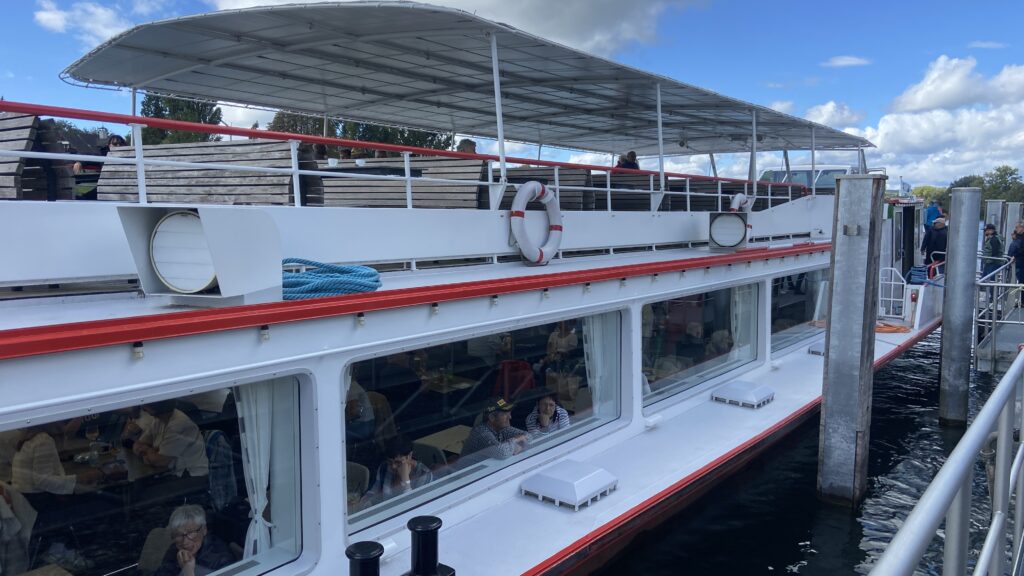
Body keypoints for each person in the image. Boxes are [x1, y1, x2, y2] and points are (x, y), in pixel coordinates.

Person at [133, 400, 209, 478]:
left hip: (190, 476)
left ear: (156, 406)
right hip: (171, 473)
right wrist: (152, 453)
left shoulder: (178, 424)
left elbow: (160, 461)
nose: (142, 407)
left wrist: (148, 451)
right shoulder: (159, 420)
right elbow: (137, 445)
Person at [156, 505, 233, 576]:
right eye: (179, 535)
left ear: (204, 530)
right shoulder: (174, 549)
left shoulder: (221, 558)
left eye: (191, 533)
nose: (185, 542)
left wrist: (188, 572)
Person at [363, 437, 433, 506]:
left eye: (398, 462)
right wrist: (363, 502)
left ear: (409, 456)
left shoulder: (424, 475)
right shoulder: (384, 467)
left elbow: (414, 505)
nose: (393, 466)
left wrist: (406, 480)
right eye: (390, 462)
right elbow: (374, 492)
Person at [461, 399, 528, 459]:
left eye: (509, 413)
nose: (510, 417)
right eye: (505, 414)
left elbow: (528, 436)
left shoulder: (502, 428)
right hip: (472, 471)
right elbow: (502, 453)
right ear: (492, 417)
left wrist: (514, 446)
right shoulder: (480, 433)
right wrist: (516, 440)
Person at [1008, 221, 1024, 286]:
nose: (1016, 229)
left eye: (1017, 227)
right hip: (1020, 262)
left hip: (1021, 263)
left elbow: (1022, 249)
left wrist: (1014, 256)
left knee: (1021, 282)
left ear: (1022, 228)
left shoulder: (1021, 239)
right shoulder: (1020, 238)